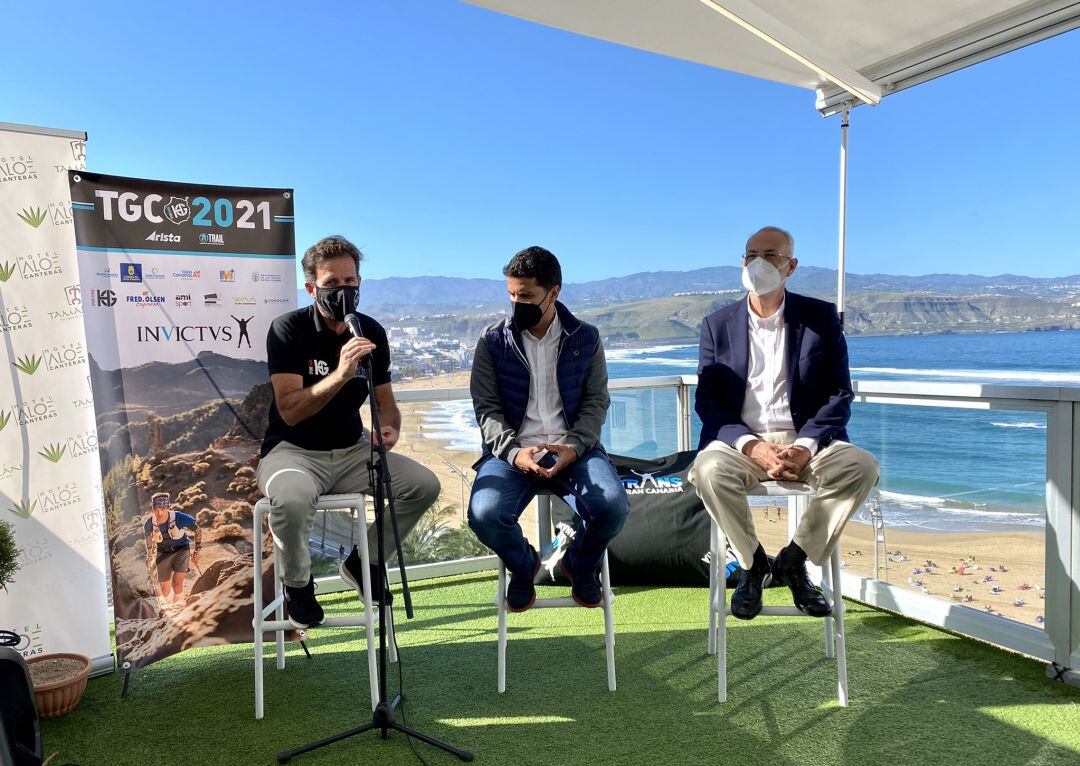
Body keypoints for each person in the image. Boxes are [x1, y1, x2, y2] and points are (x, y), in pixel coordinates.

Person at [689, 226, 879, 620]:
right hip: (744, 444)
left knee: (862, 466)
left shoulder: (819, 317)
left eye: (770, 255)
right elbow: (707, 401)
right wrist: (751, 445)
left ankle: (795, 560)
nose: (758, 263)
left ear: (790, 266)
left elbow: (839, 394)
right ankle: (754, 565)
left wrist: (804, 446)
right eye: (750, 254)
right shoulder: (717, 324)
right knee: (706, 471)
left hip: (807, 443)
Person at [256, 235, 441, 629]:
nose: (343, 291)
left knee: (423, 485)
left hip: (351, 450)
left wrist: (388, 429)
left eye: (351, 282)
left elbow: (386, 401)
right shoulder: (287, 330)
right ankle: (299, 585)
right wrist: (340, 374)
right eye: (332, 283)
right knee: (291, 498)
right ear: (311, 288)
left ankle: (364, 562)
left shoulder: (369, 330)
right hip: (293, 452)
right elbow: (289, 410)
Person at [467, 246, 630, 610]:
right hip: (512, 452)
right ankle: (525, 567)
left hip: (574, 451)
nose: (516, 302)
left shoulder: (586, 337)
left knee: (613, 506)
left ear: (553, 292)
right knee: (484, 514)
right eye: (511, 294)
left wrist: (574, 446)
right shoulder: (492, 340)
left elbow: (595, 402)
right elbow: (486, 408)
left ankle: (580, 566)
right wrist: (513, 452)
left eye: (526, 295)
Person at [143, 492, 202, 606]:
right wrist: (149, 556)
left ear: (168, 507)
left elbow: (197, 530)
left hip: (181, 550)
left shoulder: (180, 518)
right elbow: (148, 539)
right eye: (156, 509)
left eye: (162, 509)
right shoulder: (149, 523)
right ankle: (170, 606)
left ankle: (178, 607)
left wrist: (197, 552)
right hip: (163, 552)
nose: (159, 513)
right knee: (164, 590)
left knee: (177, 584)